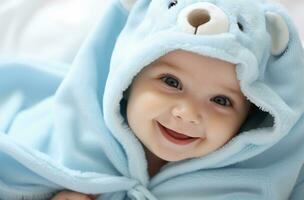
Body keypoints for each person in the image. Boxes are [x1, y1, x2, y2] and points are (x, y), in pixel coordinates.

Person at [1, 0, 304, 199]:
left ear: (251, 118)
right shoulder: (65, 138)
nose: (187, 114)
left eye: (221, 101)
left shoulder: (254, 183)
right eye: (171, 82)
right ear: (128, 77)